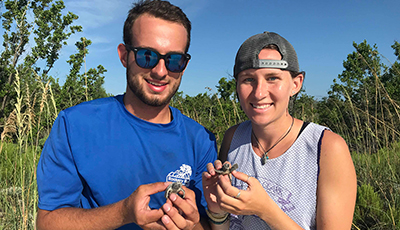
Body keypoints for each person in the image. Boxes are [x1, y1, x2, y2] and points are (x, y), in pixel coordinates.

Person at [36, 1, 217, 229]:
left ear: (184, 64)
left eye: (174, 60)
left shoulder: (201, 140)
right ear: (124, 56)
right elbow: (47, 222)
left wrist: (192, 226)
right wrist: (124, 212)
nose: (160, 71)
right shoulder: (75, 125)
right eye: (146, 56)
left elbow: (210, 224)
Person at [202, 32, 357, 230]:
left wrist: (266, 210)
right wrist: (217, 213)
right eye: (248, 79)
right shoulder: (233, 138)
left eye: (272, 78)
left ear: (296, 84)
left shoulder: (326, 147)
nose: (259, 93)